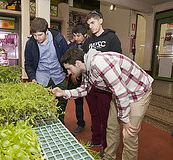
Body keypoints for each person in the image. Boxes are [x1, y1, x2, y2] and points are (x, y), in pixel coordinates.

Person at [53, 48, 153, 160]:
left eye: (69, 69)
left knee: (129, 135)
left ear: (77, 63)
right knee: (111, 127)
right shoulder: (87, 68)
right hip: (120, 93)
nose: (68, 73)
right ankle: (109, 157)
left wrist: (125, 120)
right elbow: (85, 89)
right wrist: (64, 93)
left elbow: (121, 92)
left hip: (137, 93)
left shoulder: (100, 63)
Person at [81, 10, 122, 149]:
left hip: (106, 86)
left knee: (106, 118)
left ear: (101, 21)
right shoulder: (88, 42)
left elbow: (117, 61)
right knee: (94, 115)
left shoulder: (111, 38)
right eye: (89, 24)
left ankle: (106, 145)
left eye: (93, 22)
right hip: (92, 85)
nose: (91, 26)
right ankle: (96, 139)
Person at [24, 17, 69, 124]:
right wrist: (33, 78)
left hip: (58, 76)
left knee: (61, 105)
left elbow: (67, 56)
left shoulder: (58, 39)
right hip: (41, 78)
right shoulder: (30, 43)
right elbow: (28, 64)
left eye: (40, 35)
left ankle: (60, 125)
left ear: (47, 31)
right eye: (34, 35)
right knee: (39, 106)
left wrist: (68, 71)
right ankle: (42, 126)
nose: (37, 38)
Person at [68, 23, 88, 135]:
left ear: (84, 35)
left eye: (78, 36)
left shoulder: (89, 46)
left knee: (91, 103)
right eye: (74, 36)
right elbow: (68, 60)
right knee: (78, 102)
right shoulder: (71, 46)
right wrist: (72, 74)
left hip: (88, 78)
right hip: (75, 78)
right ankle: (80, 123)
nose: (76, 38)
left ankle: (95, 127)